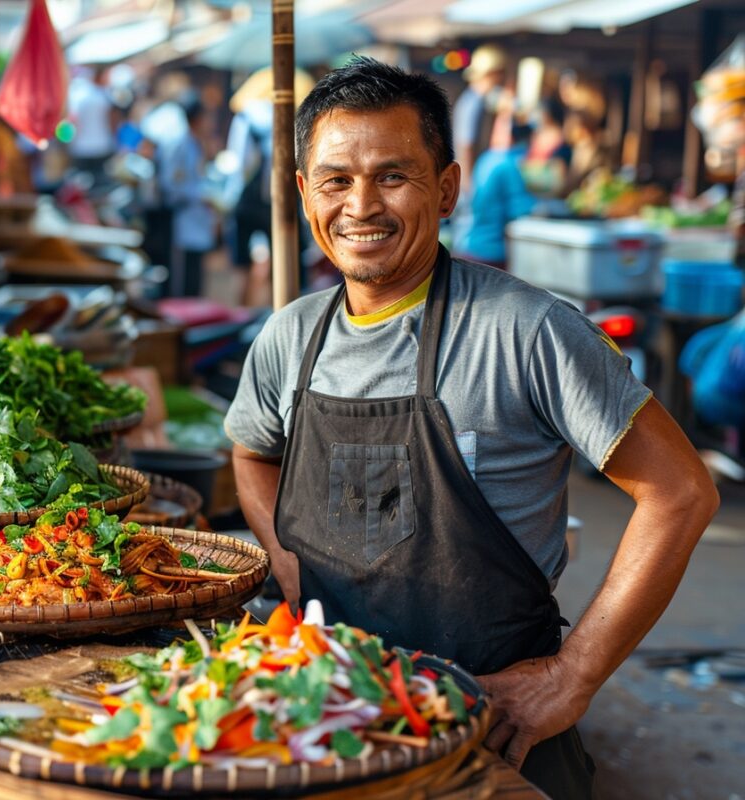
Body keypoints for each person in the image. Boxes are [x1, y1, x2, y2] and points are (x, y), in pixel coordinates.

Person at [225, 58, 719, 799]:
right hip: (324, 714)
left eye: (393, 175)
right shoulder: (290, 337)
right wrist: (289, 564)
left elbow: (681, 493)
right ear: (303, 193)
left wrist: (574, 674)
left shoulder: (528, 331)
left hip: (494, 732)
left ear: (447, 187)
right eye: (336, 180)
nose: (362, 204)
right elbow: (251, 450)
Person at [455, 118, 537, 268]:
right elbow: (519, 209)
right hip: (493, 253)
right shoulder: (511, 164)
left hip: (469, 244)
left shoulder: (487, 158)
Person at [158, 95, 216, 297]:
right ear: (197, 118)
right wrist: (199, 196)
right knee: (183, 280)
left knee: (195, 276)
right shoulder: (179, 143)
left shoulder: (193, 142)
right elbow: (171, 184)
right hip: (183, 218)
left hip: (196, 218)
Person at [452, 44, 509, 196]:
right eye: (500, 74)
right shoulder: (473, 103)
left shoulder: (480, 101)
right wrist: (470, 189)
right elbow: (465, 146)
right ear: (491, 74)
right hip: (470, 186)